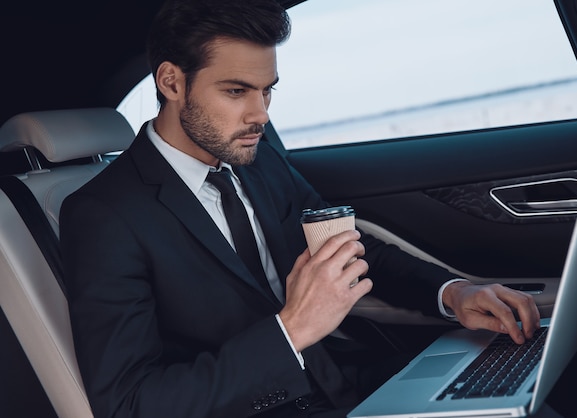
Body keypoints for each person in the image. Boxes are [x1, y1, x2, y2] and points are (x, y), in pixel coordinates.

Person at [59, 0, 540, 417]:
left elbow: (344, 246)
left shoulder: (256, 158)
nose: (261, 114)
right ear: (171, 82)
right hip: (263, 407)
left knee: (535, 388)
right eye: (236, 91)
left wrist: (452, 292)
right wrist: (291, 329)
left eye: (267, 90)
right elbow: (131, 406)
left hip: (346, 378)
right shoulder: (104, 215)